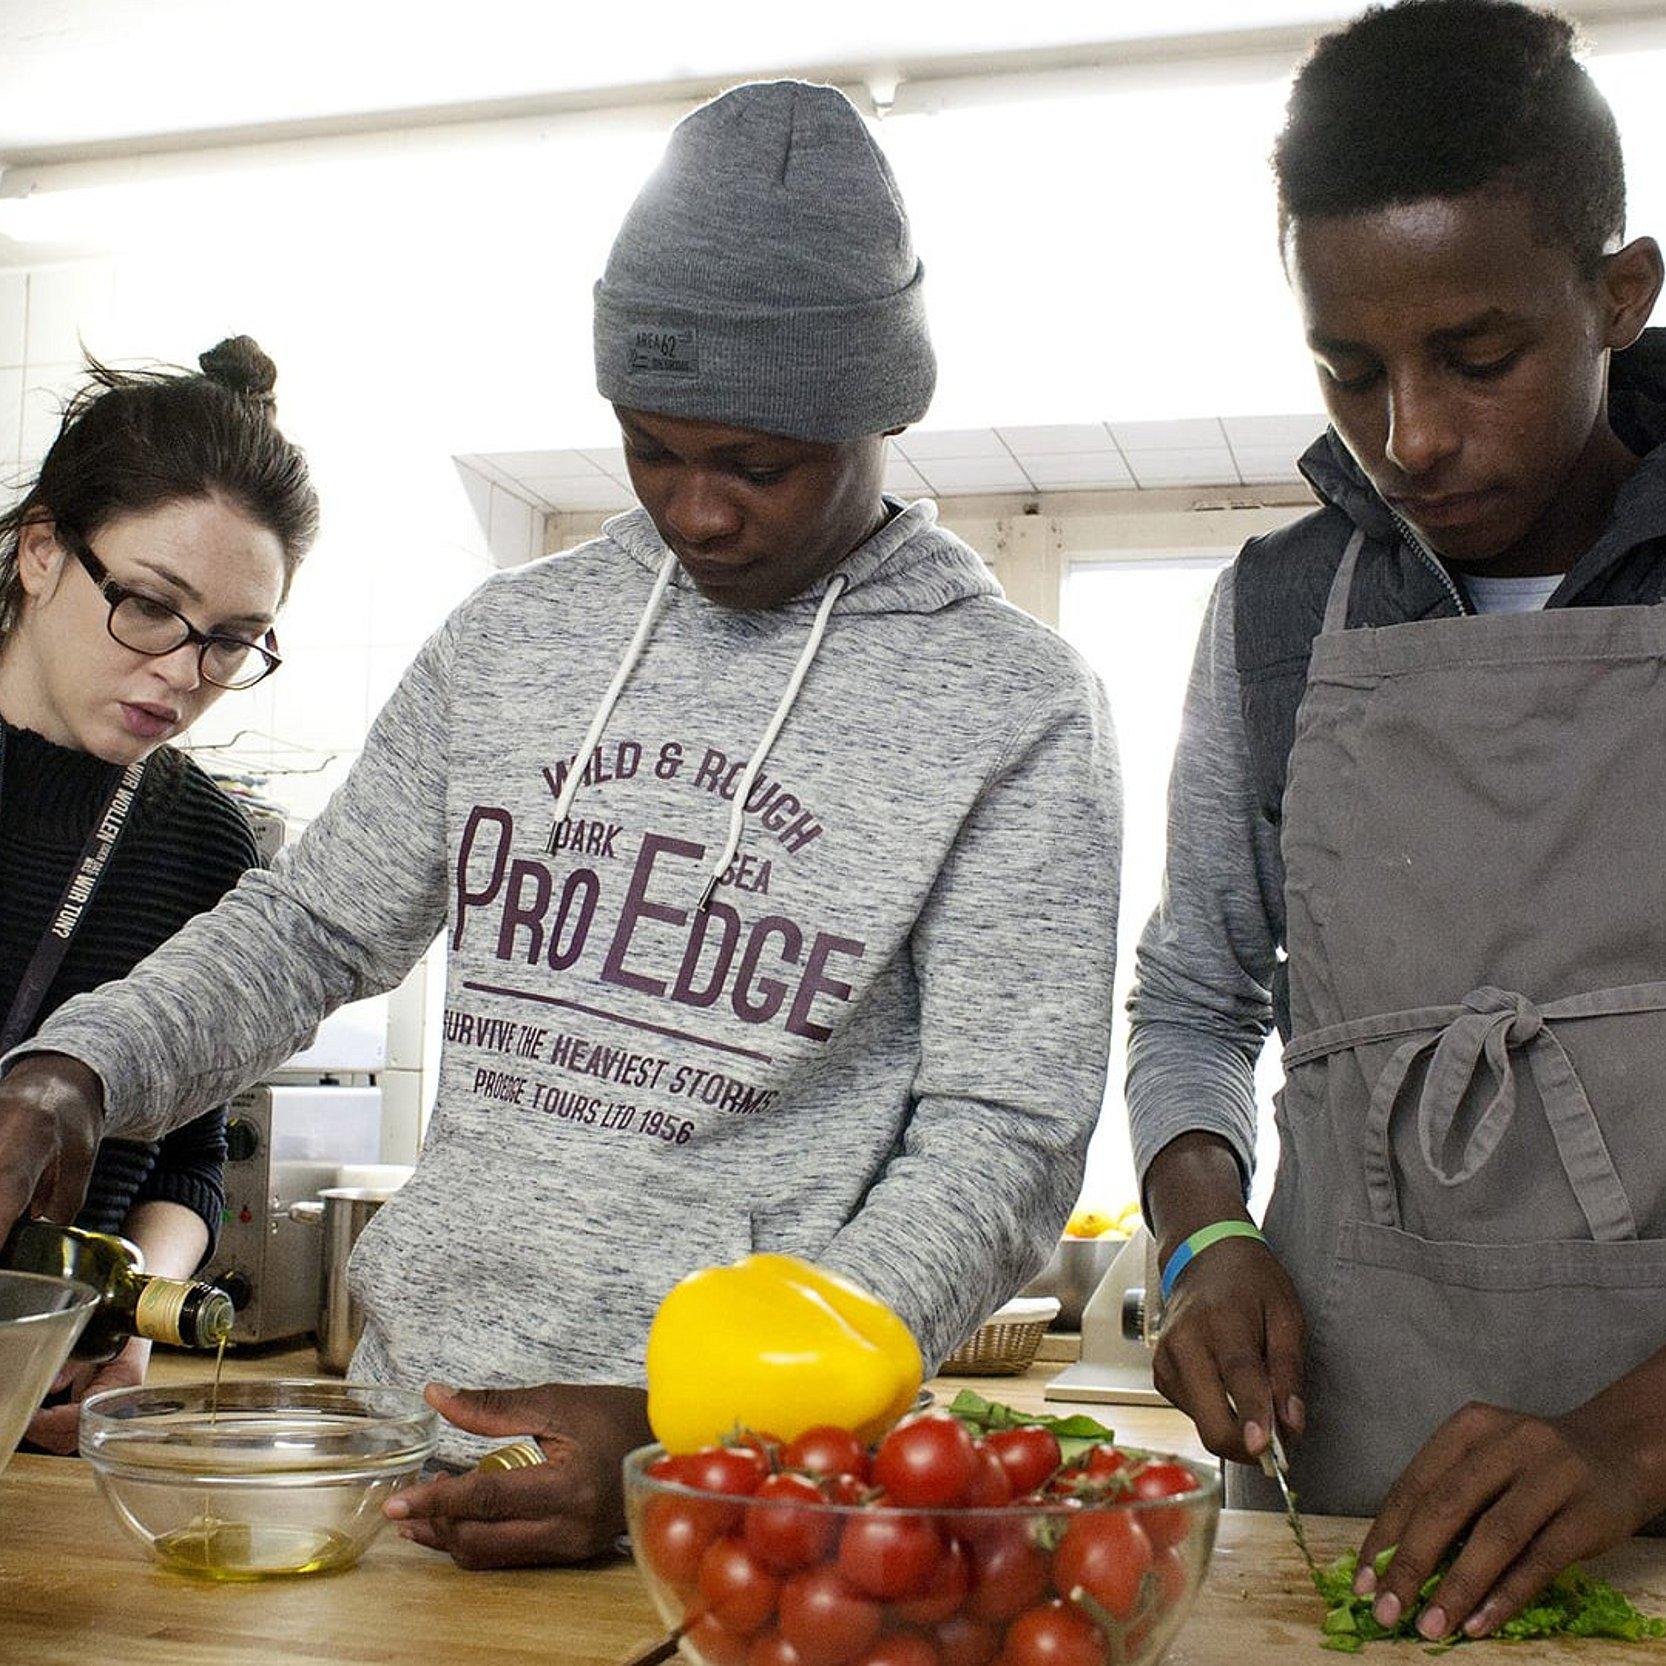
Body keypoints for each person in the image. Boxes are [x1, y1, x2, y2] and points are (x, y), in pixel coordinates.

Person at [0, 82, 1121, 1563]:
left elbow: (1003, 1136)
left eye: (757, 464)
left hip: (749, 1501)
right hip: (410, 1452)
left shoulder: (1012, 705)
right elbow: (310, 929)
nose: (695, 510)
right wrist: (78, 1068)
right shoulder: (511, 639)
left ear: (883, 410)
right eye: (650, 448)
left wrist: (714, 1437)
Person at [1129, 0, 1666, 1641]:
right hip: (1338, 1501)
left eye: (1477, 360)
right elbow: (1193, 1001)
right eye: (1349, 373)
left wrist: (1629, 1441)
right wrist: (1201, 1234)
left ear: (1620, 295)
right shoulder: (1281, 613)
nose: (1411, 437)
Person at [0, 337, 318, 1450]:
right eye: (147, 605)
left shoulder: (205, 843)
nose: (183, 675)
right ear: (43, 551)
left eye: (231, 642)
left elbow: (190, 1155)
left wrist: (119, 1321)